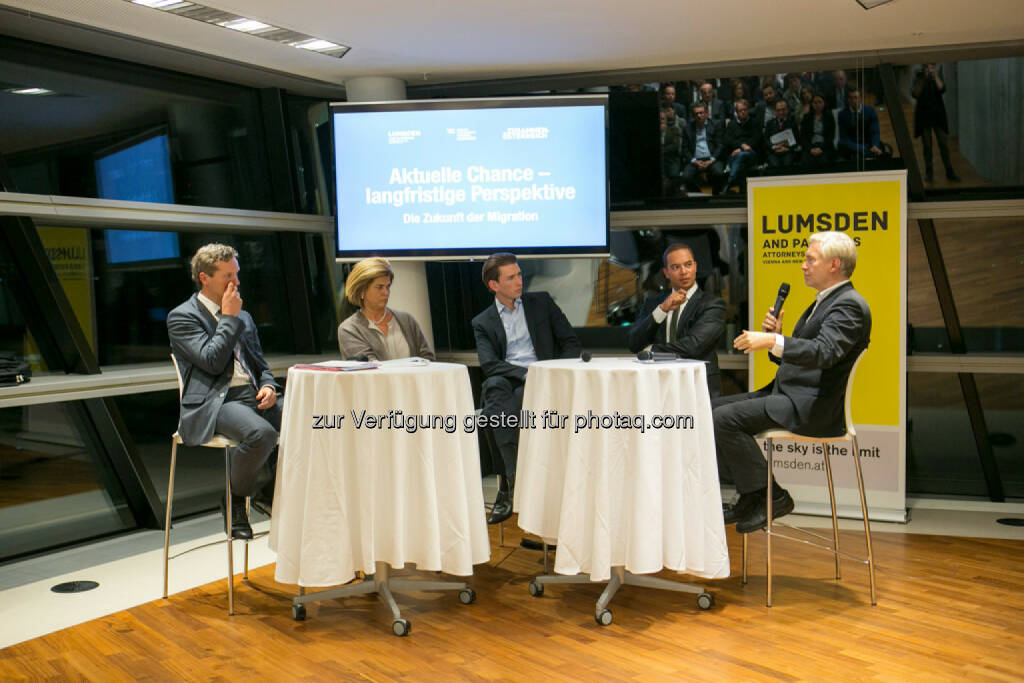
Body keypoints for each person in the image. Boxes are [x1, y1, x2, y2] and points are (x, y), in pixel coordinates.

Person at [714, 232, 870, 533]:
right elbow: (807, 358)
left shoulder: (848, 305)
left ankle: (770, 495)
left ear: (834, 265)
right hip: (791, 393)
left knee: (721, 419)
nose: (803, 266)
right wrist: (779, 343)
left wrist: (775, 340)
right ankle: (753, 493)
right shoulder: (826, 302)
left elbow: (824, 354)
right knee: (709, 411)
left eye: (810, 259)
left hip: (813, 406)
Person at [167, 243, 280, 540]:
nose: (237, 282)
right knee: (262, 434)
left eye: (237, 274)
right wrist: (229, 318)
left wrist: (268, 384)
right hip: (216, 401)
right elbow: (213, 362)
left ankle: (273, 490)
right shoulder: (182, 317)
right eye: (229, 276)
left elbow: (260, 364)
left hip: (252, 395)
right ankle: (235, 500)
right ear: (205, 278)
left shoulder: (243, 315)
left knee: (309, 421)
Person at [472, 252, 581, 525]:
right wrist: (527, 373)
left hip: (545, 376)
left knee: (491, 412)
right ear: (494, 285)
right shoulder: (483, 322)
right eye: (511, 277)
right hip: (511, 376)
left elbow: (570, 341)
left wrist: (552, 371)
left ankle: (507, 487)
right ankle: (513, 479)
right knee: (495, 389)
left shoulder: (541, 303)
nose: (519, 281)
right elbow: (490, 364)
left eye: (519, 274)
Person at [627, 243, 726, 397]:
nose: (684, 272)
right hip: (658, 385)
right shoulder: (654, 303)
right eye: (676, 267)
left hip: (697, 386)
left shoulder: (712, 304)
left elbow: (693, 346)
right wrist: (662, 310)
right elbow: (634, 343)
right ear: (666, 273)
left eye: (688, 265)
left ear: (695, 266)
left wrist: (652, 352)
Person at [338, 257, 435, 361]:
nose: (386, 293)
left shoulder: (406, 320)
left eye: (388, 287)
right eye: (379, 287)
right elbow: (369, 368)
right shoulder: (349, 329)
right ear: (362, 290)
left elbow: (428, 359)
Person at [912, 63, 959, 182]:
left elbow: (942, 88)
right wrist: (923, 77)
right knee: (927, 146)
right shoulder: (917, 72)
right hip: (924, 115)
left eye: (931, 65)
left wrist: (935, 75)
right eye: (927, 66)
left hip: (938, 114)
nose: (929, 68)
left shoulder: (938, 70)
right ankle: (929, 172)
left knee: (944, 144)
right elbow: (915, 94)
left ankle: (949, 171)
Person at [681, 103, 726, 194]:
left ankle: (716, 194)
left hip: (711, 158)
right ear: (693, 115)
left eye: (701, 113)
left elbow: (720, 145)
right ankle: (699, 194)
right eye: (696, 114)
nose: (699, 116)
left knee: (719, 173)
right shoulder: (688, 128)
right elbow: (685, 148)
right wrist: (694, 161)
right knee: (686, 176)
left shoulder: (715, 125)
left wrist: (712, 160)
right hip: (696, 160)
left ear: (706, 113)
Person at [722, 98, 764, 194]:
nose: (743, 112)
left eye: (745, 110)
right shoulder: (732, 124)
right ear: (736, 112)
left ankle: (729, 182)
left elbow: (756, 140)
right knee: (741, 163)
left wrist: (741, 149)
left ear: (748, 110)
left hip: (751, 154)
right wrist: (742, 146)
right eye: (740, 110)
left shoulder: (755, 123)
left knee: (741, 155)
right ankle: (743, 192)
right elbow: (727, 140)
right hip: (735, 155)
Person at [837, 89, 882, 159]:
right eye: (851, 98)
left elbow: (875, 132)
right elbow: (844, 137)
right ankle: (868, 153)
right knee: (841, 143)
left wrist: (875, 145)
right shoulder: (842, 114)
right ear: (848, 99)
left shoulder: (870, 111)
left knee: (878, 144)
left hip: (867, 142)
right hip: (852, 144)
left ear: (860, 98)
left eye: (856, 97)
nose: (854, 101)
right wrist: (862, 149)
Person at [800, 92, 837, 167]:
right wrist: (811, 149)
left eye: (820, 102)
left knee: (824, 161)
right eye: (815, 102)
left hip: (825, 146)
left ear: (824, 103)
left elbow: (831, 136)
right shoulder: (806, 117)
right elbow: (803, 137)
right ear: (812, 104)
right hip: (810, 146)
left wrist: (821, 149)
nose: (817, 105)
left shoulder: (829, 117)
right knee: (806, 161)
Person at [764, 99, 799, 169]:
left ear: (787, 110)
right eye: (778, 110)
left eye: (783, 110)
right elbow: (765, 139)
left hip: (788, 151)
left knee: (787, 164)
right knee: (774, 165)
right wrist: (773, 148)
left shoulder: (792, 122)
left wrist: (788, 148)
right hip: (774, 152)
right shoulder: (770, 123)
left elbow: (797, 139)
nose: (781, 112)